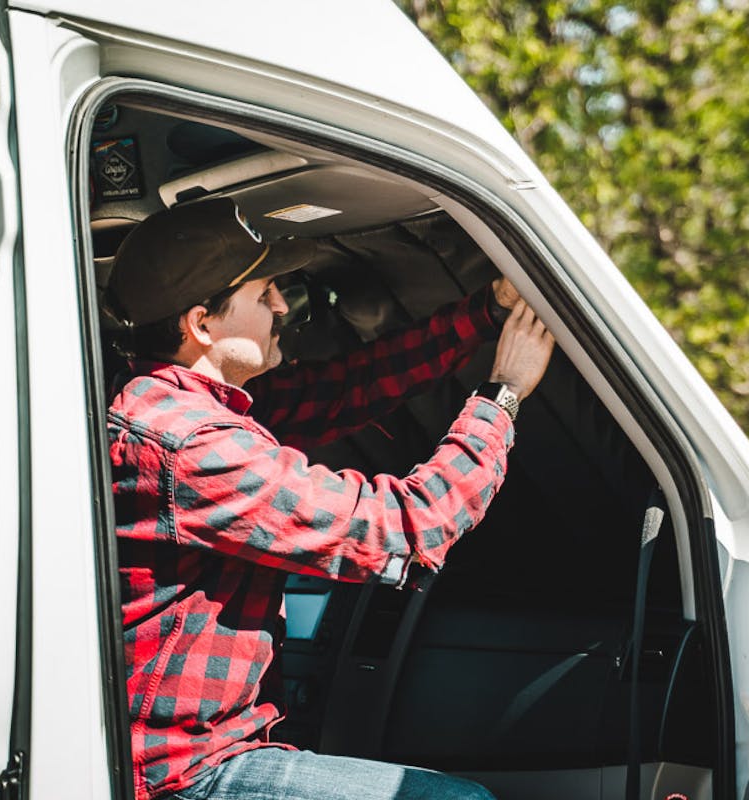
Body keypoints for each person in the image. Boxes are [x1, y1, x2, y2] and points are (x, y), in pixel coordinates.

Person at [103, 197, 555, 800]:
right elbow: (407, 528)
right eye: (264, 293)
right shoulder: (193, 446)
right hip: (182, 774)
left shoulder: (161, 401)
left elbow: (347, 388)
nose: (281, 306)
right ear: (202, 324)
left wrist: (487, 310)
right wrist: (504, 394)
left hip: (203, 747)